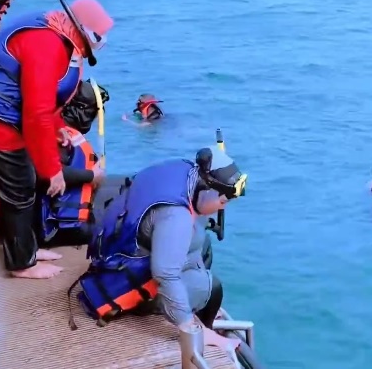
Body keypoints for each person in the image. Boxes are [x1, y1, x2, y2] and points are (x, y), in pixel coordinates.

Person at [0, 0, 114, 280]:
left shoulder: (55, 28)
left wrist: (57, 126)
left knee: (27, 182)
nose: (101, 43)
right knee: (20, 191)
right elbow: (36, 113)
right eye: (99, 37)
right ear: (84, 30)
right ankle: (22, 263)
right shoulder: (47, 45)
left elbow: (41, 97)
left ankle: (29, 248)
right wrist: (53, 170)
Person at [75, 145, 247, 351]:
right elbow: (165, 275)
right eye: (223, 201)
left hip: (113, 259)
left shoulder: (183, 170)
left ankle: (194, 305)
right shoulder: (176, 217)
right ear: (207, 190)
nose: (223, 207)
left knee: (201, 244)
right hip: (127, 287)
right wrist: (189, 327)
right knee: (212, 287)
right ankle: (204, 330)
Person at [0, 79, 109, 248]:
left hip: (40, 222)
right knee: (118, 227)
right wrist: (91, 175)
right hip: (54, 228)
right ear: (81, 111)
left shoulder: (46, 128)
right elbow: (42, 174)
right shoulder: (60, 139)